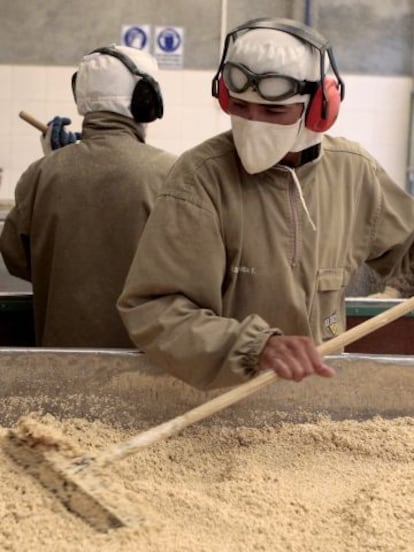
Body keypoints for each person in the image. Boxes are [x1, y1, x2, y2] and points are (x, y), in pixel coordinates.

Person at [117, 18, 414, 389]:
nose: (253, 123)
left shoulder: (354, 174)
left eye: (274, 112)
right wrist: (256, 346)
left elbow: (407, 252)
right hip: (219, 401)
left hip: (317, 403)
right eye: (240, 106)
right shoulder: (200, 178)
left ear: (320, 106)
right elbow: (154, 309)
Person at [0, 45, 176, 347]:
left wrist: (57, 167)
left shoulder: (41, 174)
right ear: (145, 101)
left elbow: (19, 261)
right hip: (144, 368)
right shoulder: (173, 174)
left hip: (59, 363)